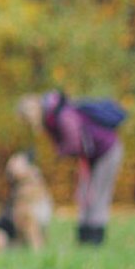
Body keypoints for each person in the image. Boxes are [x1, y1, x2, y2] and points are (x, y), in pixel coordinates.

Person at [17, 90, 125, 245]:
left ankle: (94, 239)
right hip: (92, 156)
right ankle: (84, 237)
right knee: (85, 194)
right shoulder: (52, 115)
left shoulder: (61, 115)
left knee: (97, 195)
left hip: (107, 151)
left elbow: (75, 142)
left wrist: (60, 152)